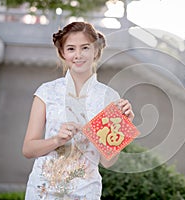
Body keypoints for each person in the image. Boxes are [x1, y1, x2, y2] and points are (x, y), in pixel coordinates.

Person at [22, 21, 134, 199]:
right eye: (71, 49)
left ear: (96, 51)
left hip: (85, 192)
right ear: (62, 53)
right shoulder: (46, 92)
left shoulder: (110, 97)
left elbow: (108, 162)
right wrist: (57, 139)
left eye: (85, 48)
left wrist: (123, 126)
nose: (78, 55)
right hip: (43, 190)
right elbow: (28, 149)